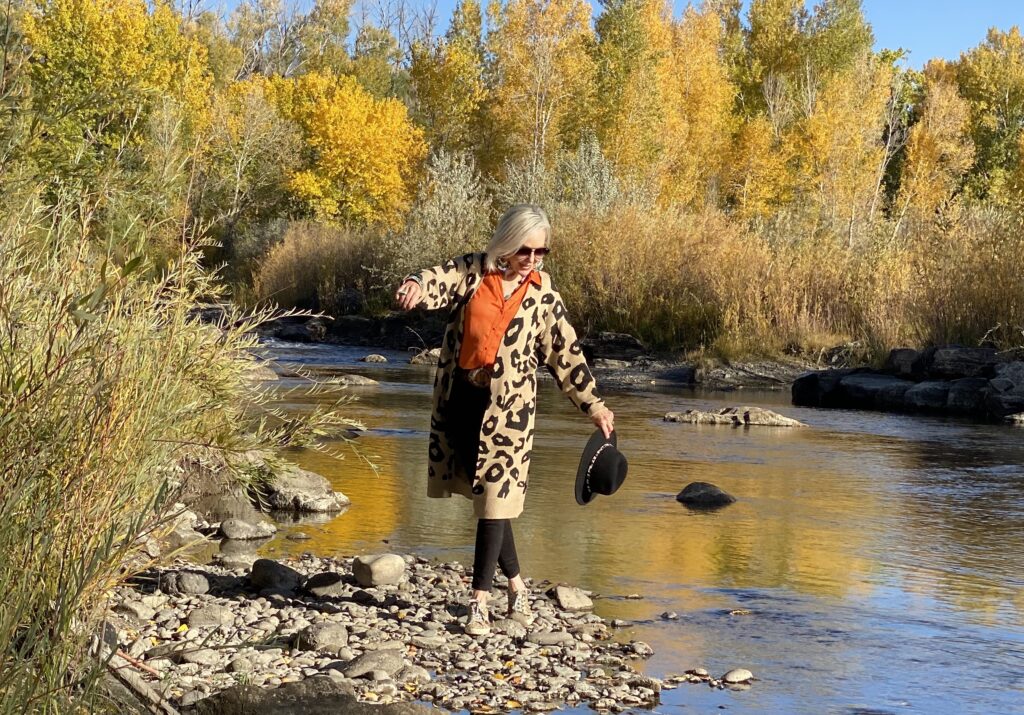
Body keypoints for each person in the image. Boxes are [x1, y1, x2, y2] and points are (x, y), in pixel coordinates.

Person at [395, 204, 614, 636]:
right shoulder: (475, 272)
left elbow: (566, 355)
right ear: (508, 244)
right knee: (491, 503)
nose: (533, 258)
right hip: (462, 401)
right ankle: (518, 586)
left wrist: (594, 405)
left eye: (542, 251)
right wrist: (415, 286)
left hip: (510, 414)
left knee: (495, 499)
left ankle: (479, 602)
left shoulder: (544, 296)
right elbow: (438, 279)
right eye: (525, 249)